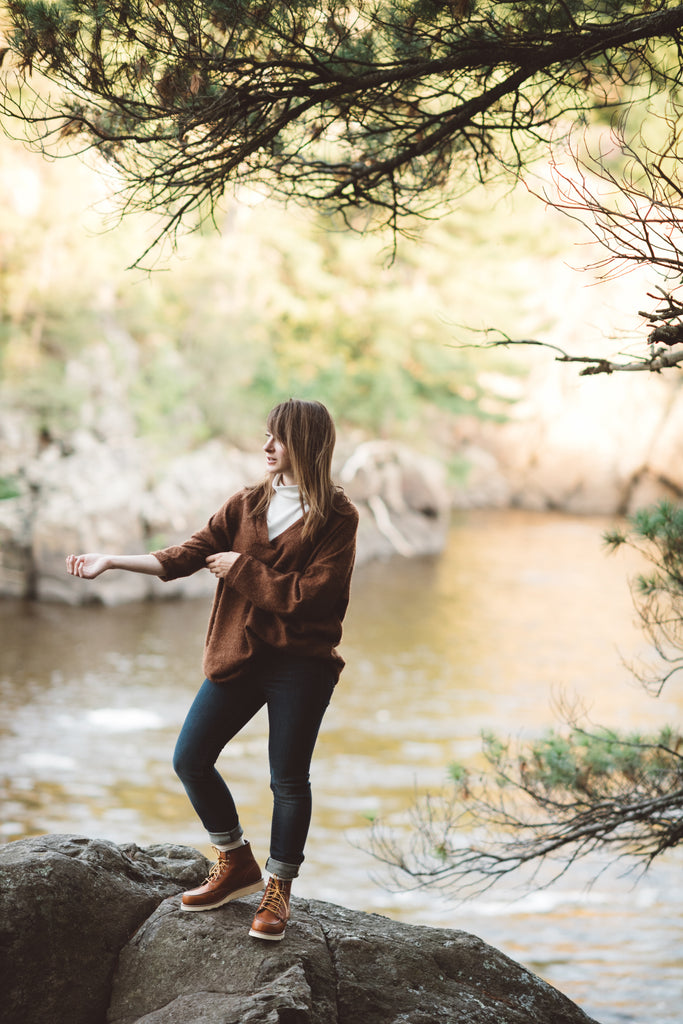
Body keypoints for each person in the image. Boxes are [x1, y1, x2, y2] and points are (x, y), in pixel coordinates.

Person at [66, 399, 358, 941]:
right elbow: (184, 556)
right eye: (267, 436)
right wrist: (112, 560)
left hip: (303, 666)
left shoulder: (338, 518)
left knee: (288, 780)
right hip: (239, 655)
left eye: (280, 438)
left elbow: (314, 597)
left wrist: (243, 569)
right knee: (191, 759)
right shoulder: (245, 505)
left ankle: (278, 890)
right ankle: (236, 860)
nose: (267, 446)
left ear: (308, 444)